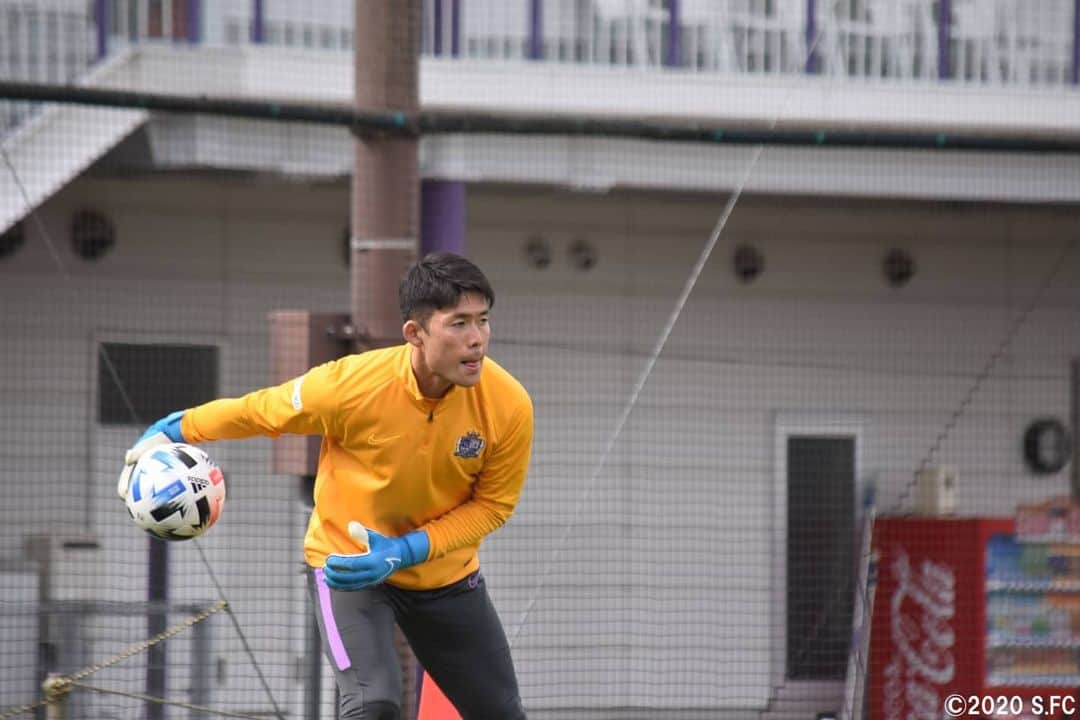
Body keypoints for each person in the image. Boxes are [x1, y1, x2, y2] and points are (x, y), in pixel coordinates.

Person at [117, 252, 533, 720]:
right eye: (458, 323)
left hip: (445, 576)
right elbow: (261, 411)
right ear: (415, 334)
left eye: (482, 320)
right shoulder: (352, 386)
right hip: (346, 568)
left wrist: (406, 550)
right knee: (373, 703)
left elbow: (493, 507)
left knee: (501, 713)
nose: (477, 339)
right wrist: (175, 429)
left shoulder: (509, 404)